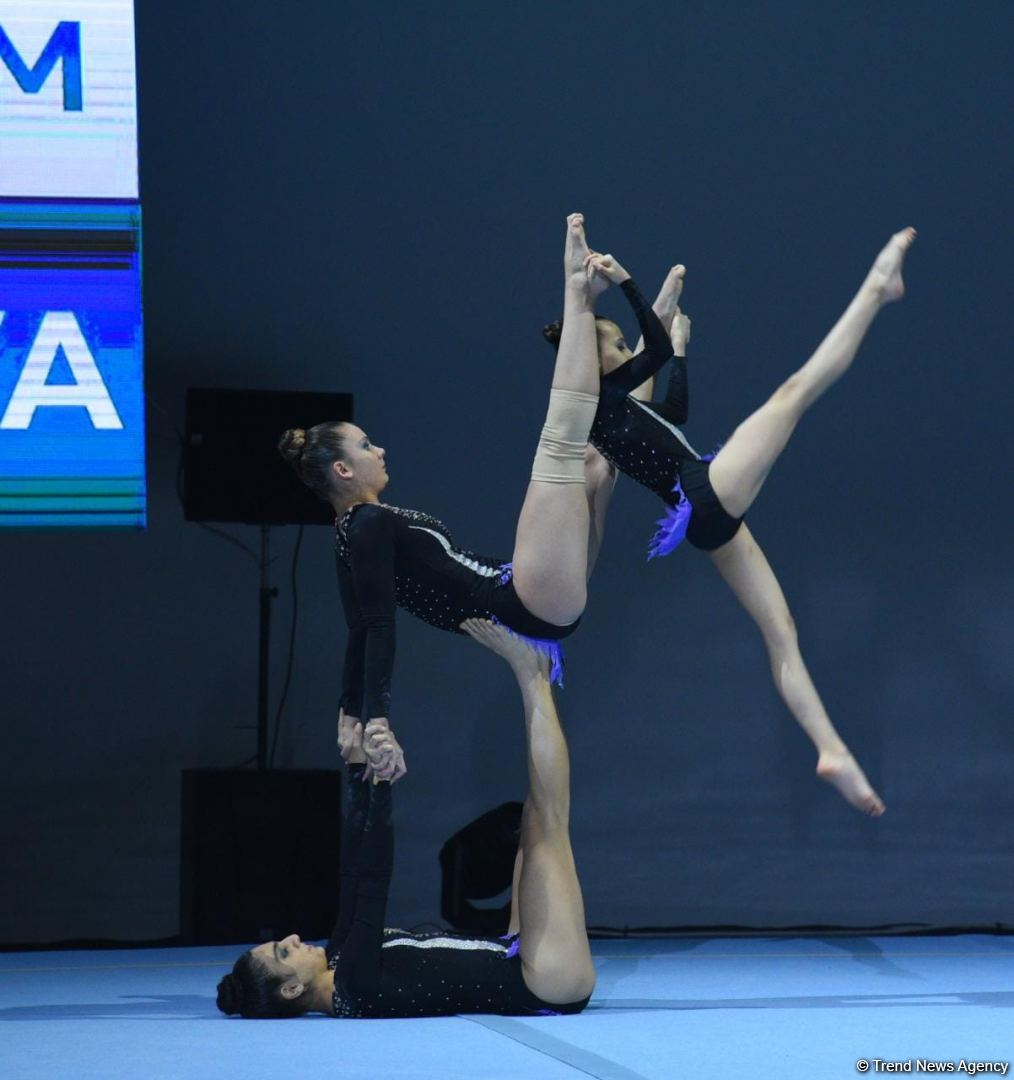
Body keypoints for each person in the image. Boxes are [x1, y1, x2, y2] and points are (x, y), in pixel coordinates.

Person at [544, 229, 918, 816]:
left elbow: (675, 408)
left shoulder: (616, 408)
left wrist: (678, 342)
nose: (623, 347)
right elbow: (653, 347)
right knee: (795, 391)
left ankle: (830, 750)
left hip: (703, 517)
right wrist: (625, 283)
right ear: (596, 360)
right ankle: (876, 287)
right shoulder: (601, 401)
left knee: (781, 630)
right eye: (615, 343)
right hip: (704, 489)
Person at [278, 214, 623, 779]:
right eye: (365, 446)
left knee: (595, 462)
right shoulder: (364, 526)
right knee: (561, 441)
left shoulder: (352, 532)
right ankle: (577, 289)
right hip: (524, 599)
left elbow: (359, 629)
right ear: (342, 469)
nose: (379, 449)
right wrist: (377, 718)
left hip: (536, 603)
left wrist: (350, 714)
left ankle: (639, 335)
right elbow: (377, 626)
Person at [215, 620, 596, 1020]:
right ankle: (533, 675)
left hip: (517, 955)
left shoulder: (340, 959)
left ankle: (535, 672)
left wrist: (358, 765)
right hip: (541, 980)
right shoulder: (354, 986)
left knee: (534, 821)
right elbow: (373, 880)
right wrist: (382, 785)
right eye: (284, 953)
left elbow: (353, 871)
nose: (293, 938)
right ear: (292, 989)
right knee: (547, 818)